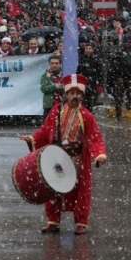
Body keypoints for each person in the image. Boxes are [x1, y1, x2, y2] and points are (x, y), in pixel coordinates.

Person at [19, 74, 108, 235]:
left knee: (81, 190)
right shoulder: (56, 111)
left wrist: (99, 154)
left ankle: (81, 222)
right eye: (72, 93)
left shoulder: (86, 116)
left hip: (78, 159)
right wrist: (32, 138)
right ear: (66, 94)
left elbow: (95, 137)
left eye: (78, 93)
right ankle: (53, 220)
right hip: (57, 156)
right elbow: (45, 131)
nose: (75, 96)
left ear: (82, 95)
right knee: (52, 188)